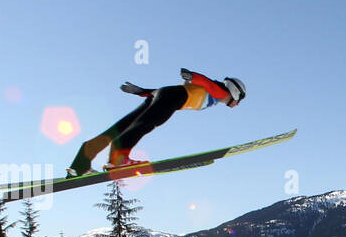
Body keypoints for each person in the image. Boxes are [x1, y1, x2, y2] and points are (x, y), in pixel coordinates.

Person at [67, 68, 246, 176]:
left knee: (121, 127)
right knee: (146, 124)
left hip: (162, 94)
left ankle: (80, 163)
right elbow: (208, 83)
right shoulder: (220, 92)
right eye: (240, 99)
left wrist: (141, 91)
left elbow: (160, 91)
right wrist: (192, 76)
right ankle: (118, 159)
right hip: (174, 98)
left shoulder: (215, 94)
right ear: (235, 92)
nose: (237, 104)